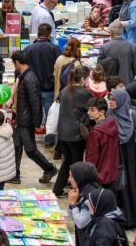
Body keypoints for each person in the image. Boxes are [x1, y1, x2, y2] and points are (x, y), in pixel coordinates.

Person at [10, 50, 58, 183]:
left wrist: (37, 122)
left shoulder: (29, 78)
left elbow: (35, 102)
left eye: (14, 63)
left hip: (26, 120)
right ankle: (15, 175)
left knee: (30, 149)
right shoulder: (25, 76)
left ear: (18, 62)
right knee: (16, 146)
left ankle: (49, 168)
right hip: (21, 118)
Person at [109, 88, 136, 228]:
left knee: (131, 185)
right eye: (110, 99)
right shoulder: (110, 115)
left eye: (113, 99)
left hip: (130, 157)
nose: (111, 102)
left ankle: (133, 217)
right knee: (119, 185)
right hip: (116, 157)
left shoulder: (132, 114)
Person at [53, 66, 91, 196]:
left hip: (63, 132)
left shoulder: (65, 90)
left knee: (67, 161)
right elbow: (89, 112)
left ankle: (58, 189)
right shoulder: (85, 93)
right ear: (82, 78)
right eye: (87, 78)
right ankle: (78, 189)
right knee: (77, 163)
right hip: (76, 133)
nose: (88, 80)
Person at [23, 23, 61, 147]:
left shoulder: (28, 49)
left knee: (31, 113)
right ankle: (49, 140)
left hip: (32, 88)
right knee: (51, 116)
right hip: (49, 88)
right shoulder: (54, 49)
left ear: (38, 33)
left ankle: (29, 139)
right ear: (49, 34)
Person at [84, 97, 120, 190]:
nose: (88, 112)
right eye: (88, 109)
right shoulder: (112, 124)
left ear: (102, 112)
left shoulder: (96, 132)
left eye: (92, 110)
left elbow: (92, 157)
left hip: (99, 175)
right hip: (112, 171)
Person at [67, 162, 104, 246]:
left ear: (80, 177)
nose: (69, 180)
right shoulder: (81, 190)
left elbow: (80, 223)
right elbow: (71, 216)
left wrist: (73, 204)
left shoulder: (92, 195)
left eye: (71, 176)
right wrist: (72, 203)